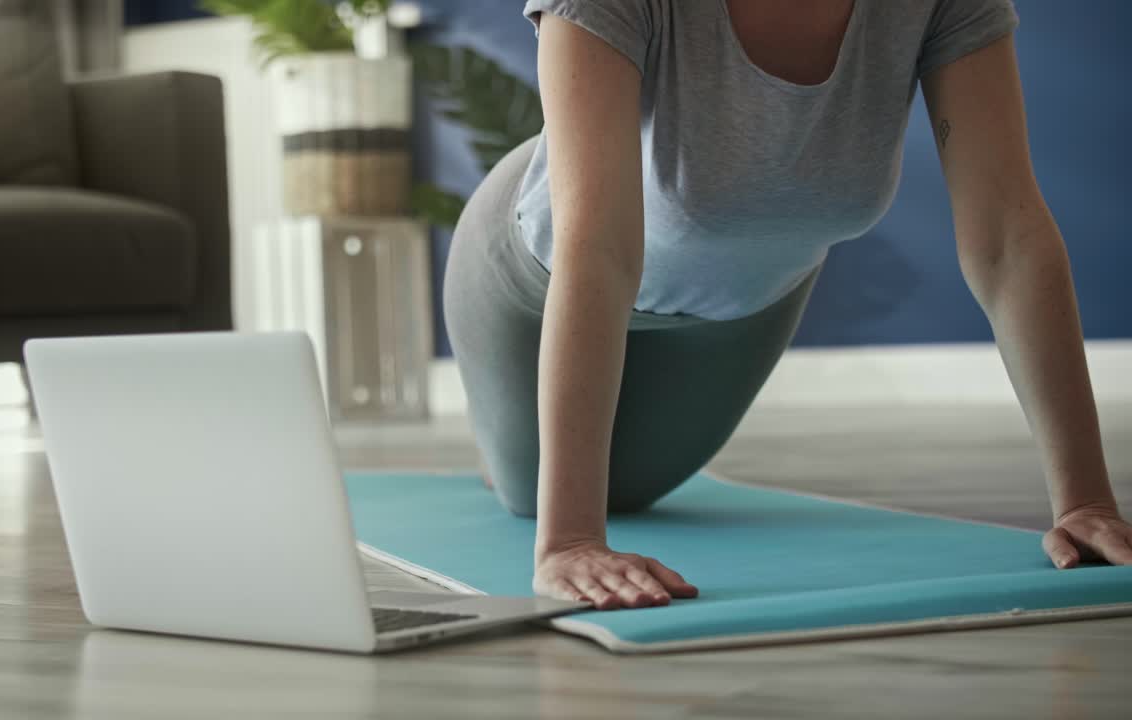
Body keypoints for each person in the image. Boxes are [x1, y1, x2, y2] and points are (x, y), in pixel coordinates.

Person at [442, 0, 1132, 610]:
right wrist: (568, 540)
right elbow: (597, 249)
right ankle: (499, 438)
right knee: (529, 495)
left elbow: (1008, 242)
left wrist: (1086, 502)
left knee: (633, 494)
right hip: (534, 275)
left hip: (741, 310)